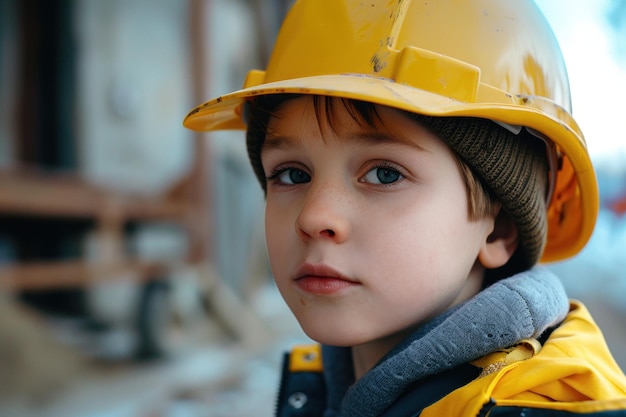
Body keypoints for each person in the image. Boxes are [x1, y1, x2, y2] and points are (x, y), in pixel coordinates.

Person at [184, 0, 626, 415]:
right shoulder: (331, 380)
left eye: (384, 175)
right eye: (292, 175)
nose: (314, 216)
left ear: (499, 229)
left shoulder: (542, 406)